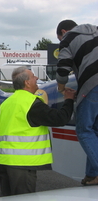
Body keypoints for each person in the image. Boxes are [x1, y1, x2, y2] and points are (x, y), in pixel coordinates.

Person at [0, 66, 76, 196]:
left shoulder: (6, 103)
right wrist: (69, 100)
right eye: (33, 76)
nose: (37, 78)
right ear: (27, 82)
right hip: (22, 165)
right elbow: (60, 119)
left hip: (5, 162)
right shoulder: (31, 104)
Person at [56, 19, 98, 185]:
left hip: (92, 85)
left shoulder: (68, 38)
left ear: (63, 32)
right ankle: (92, 175)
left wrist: (61, 88)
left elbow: (62, 69)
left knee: (83, 130)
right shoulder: (95, 30)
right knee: (94, 130)